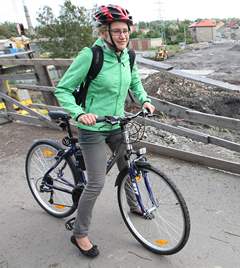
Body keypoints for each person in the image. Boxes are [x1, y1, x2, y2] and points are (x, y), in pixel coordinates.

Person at [54, 4, 155, 258]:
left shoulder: (127, 56)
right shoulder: (91, 55)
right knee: (96, 183)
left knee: (127, 166)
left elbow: (134, 81)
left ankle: (135, 206)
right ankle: (79, 234)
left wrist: (144, 99)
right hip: (92, 127)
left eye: (126, 30)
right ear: (104, 32)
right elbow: (63, 89)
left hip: (117, 123)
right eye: (117, 31)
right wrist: (79, 113)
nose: (123, 35)